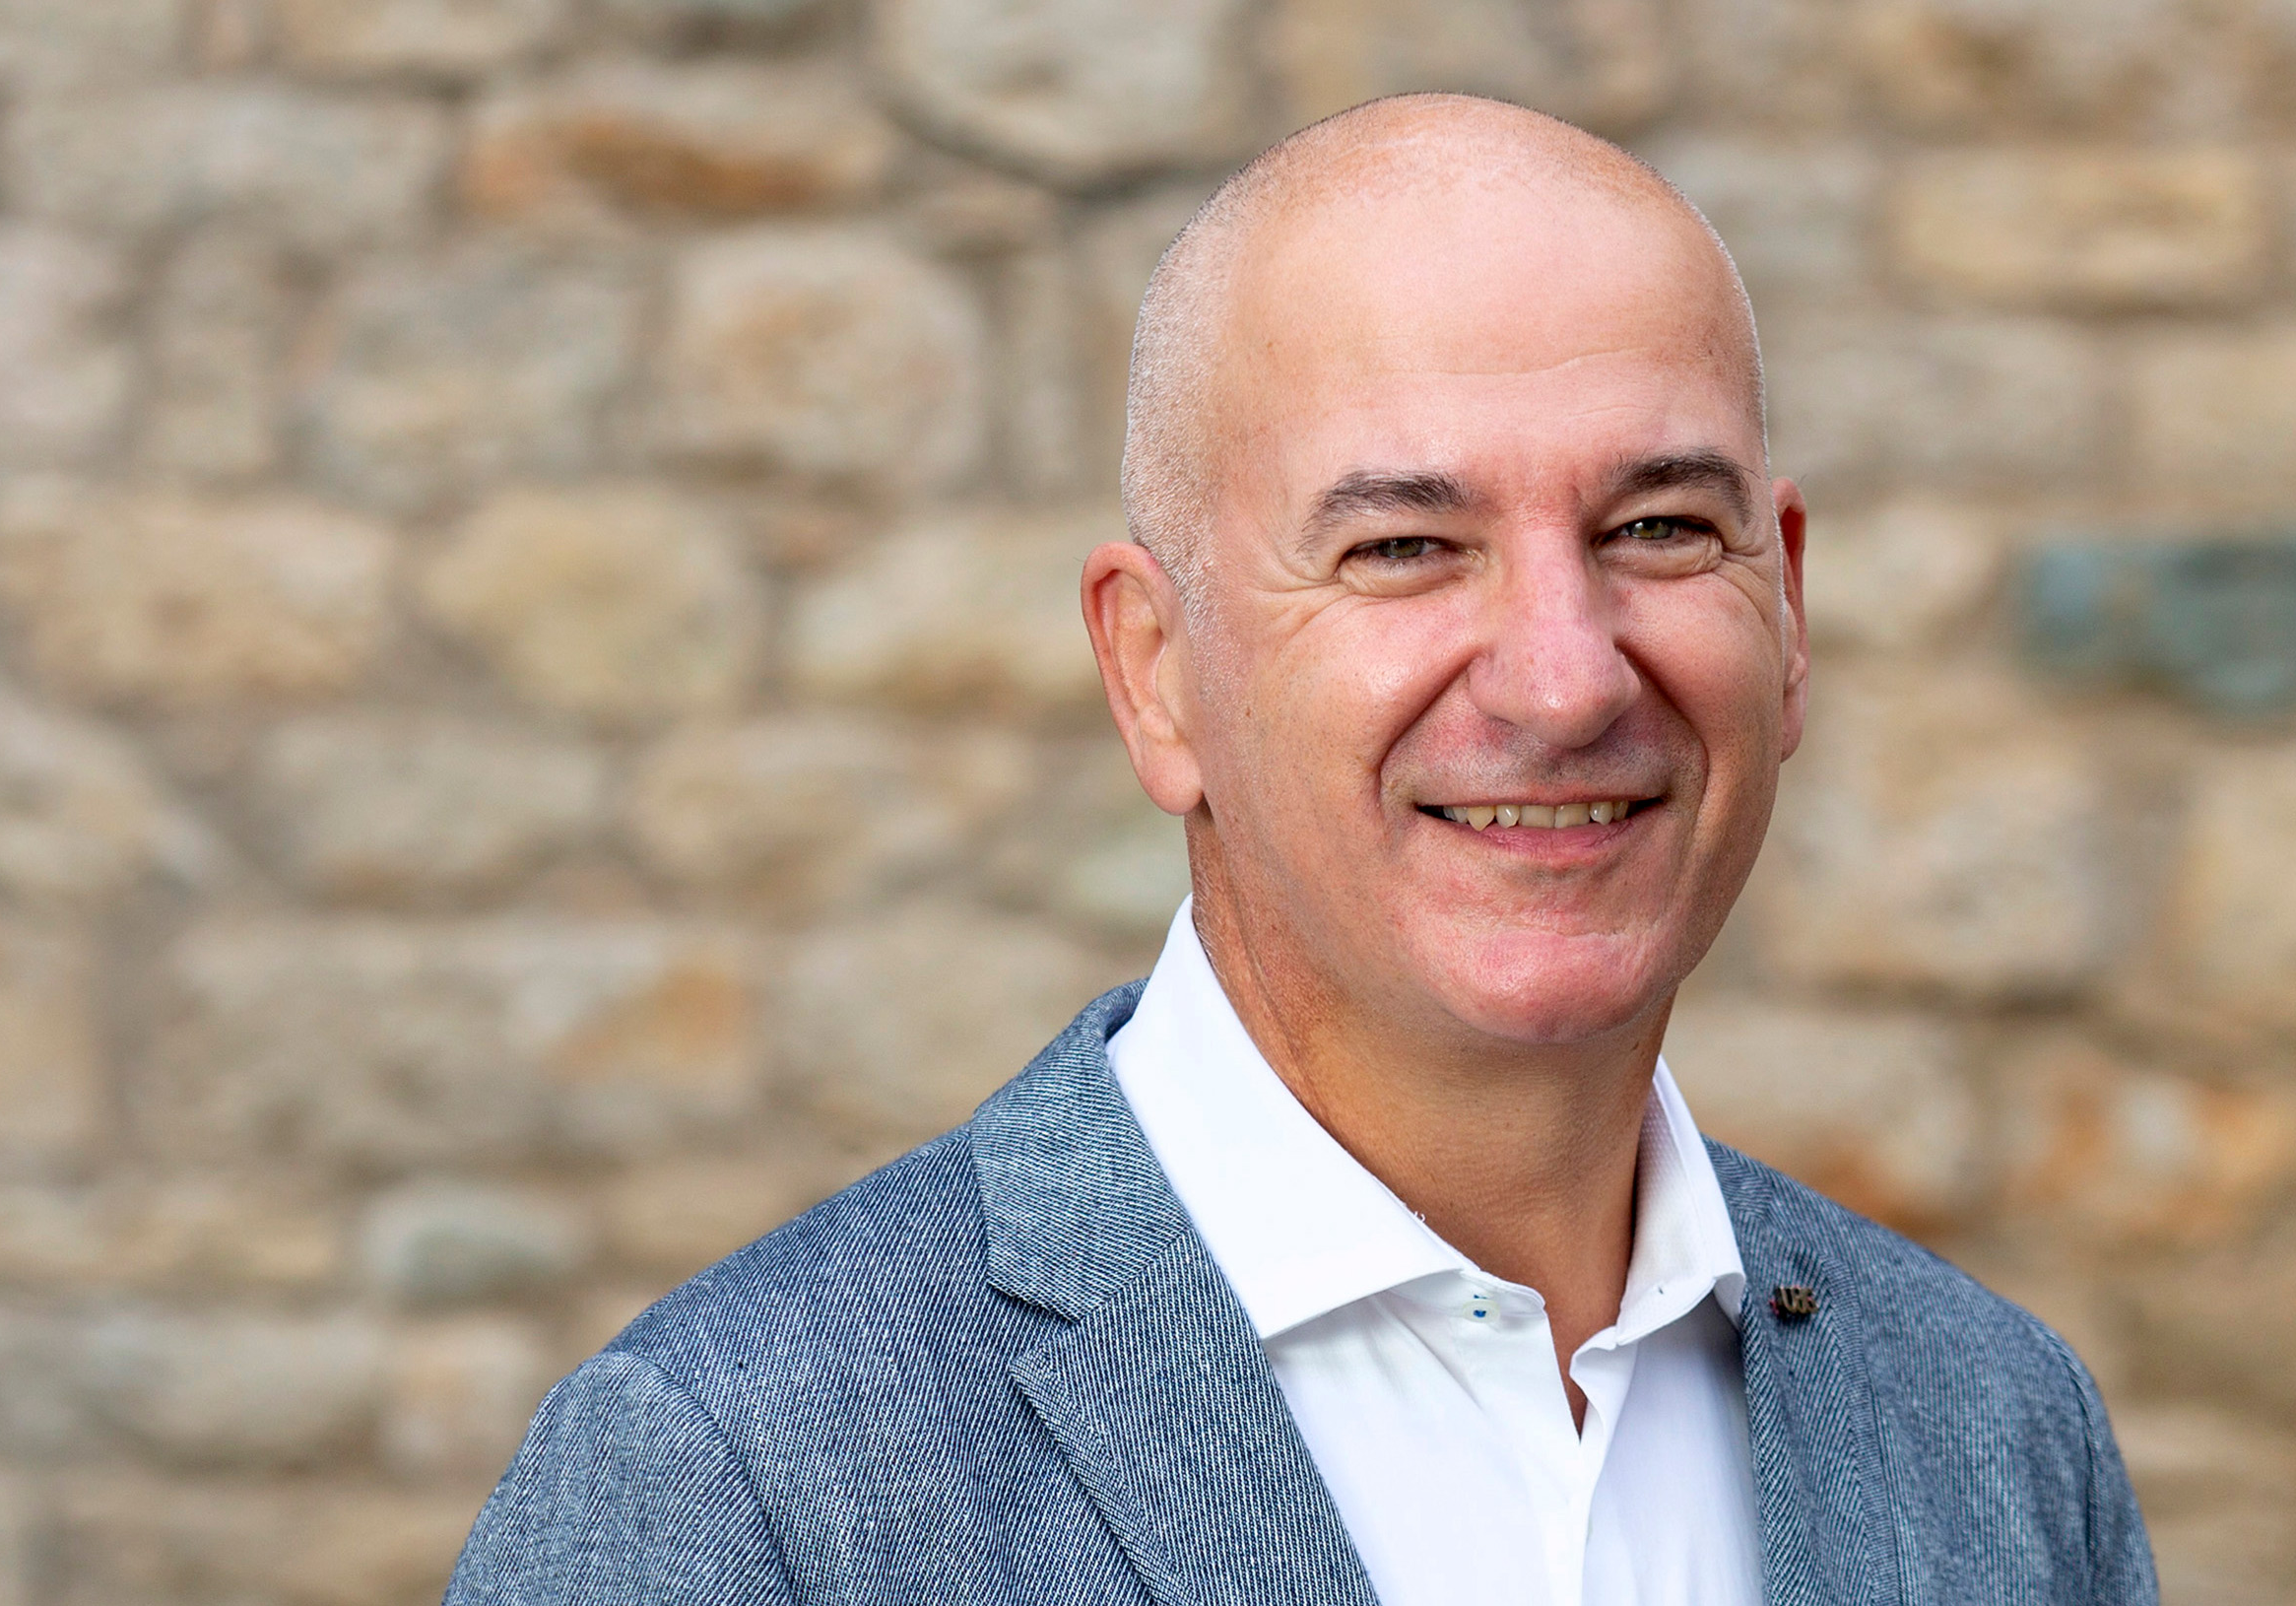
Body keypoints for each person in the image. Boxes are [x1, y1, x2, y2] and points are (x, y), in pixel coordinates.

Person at [444, 93, 2154, 1606]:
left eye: (1654, 527)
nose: (1564, 678)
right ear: (1156, 671)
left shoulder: (1993, 1433)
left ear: (1786, 612)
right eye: (1404, 546)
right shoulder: (737, 1484)